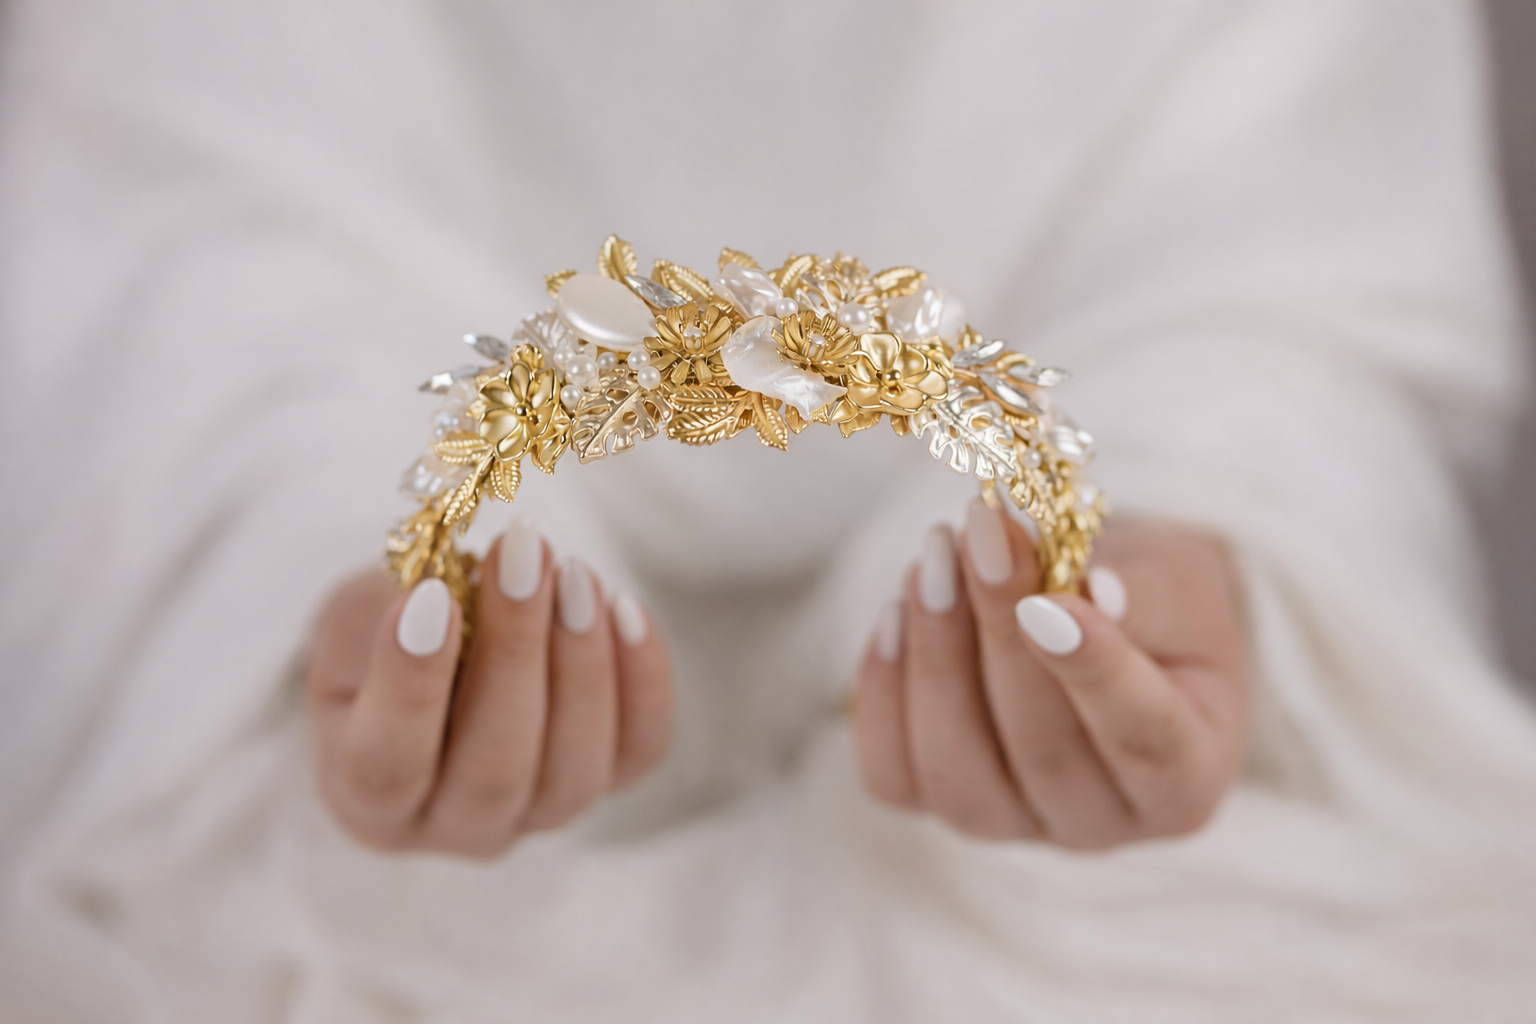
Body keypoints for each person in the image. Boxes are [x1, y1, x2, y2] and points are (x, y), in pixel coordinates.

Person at [4, 1, 1536, 1020]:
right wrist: (353, 554)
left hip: (1144, 869)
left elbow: (1285, 250)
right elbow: (193, 205)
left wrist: (1175, 536)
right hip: (306, 826)